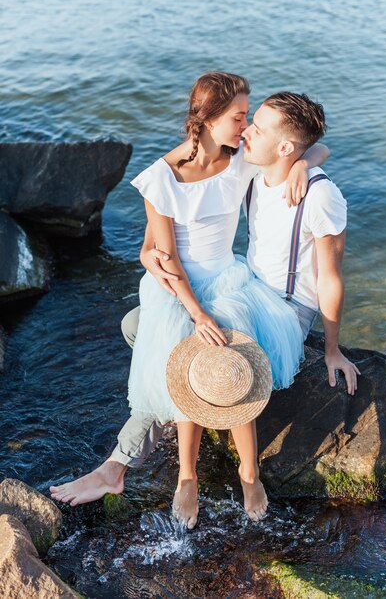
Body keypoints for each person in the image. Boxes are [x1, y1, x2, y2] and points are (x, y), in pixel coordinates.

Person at [50, 74, 332, 526]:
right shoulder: (161, 177)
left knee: (229, 357)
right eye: (239, 116)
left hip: (228, 278)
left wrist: (302, 164)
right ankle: (186, 477)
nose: (246, 126)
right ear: (208, 118)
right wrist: (193, 310)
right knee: (187, 351)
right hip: (176, 288)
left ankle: (248, 472)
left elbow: (309, 147)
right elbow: (163, 255)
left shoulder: (241, 158)